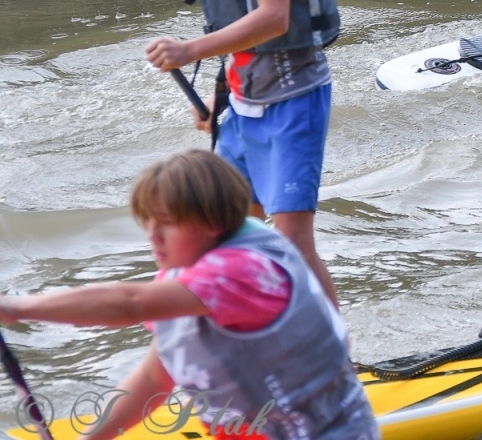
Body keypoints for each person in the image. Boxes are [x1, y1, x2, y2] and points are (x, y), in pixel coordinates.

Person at [0, 151, 378, 439]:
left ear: (212, 221)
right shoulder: (182, 277)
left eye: (166, 222)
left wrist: (16, 307)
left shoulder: (243, 271)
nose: (152, 235)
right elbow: (155, 377)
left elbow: (130, 303)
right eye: (147, 220)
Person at [143, 0, 343, 308]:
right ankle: (261, 334)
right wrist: (223, 100)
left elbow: (275, 17)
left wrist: (189, 49)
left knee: (291, 241)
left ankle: (333, 347)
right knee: (237, 233)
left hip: (293, 100)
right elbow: (242, 32)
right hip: (246, 102)